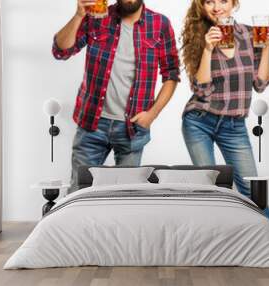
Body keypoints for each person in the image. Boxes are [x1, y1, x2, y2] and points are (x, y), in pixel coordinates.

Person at [52, 0, 180, 193]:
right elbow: (61, 51)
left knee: (126, 195)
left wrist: (152, 114)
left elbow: (171, 74)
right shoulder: (96, 18)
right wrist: (79, 15)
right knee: (79, 191)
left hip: (132, 128)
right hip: (92, 124)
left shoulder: (160, 24)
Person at [180, 0, 269, 219]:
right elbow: (201, 89)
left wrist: (267, 46)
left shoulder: (251, 35)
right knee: (209, 189)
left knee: (253, 191)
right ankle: (217, 246)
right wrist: (207, 48)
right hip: (199, 121)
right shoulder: (199, 37)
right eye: (208, 2)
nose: (216, 7)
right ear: (201, 7)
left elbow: (260, 84)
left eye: (222, 0)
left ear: (234, 3)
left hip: (234, 125)